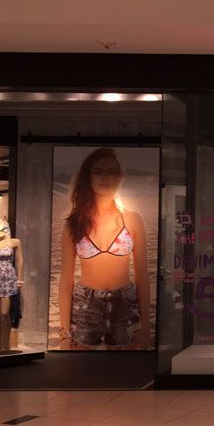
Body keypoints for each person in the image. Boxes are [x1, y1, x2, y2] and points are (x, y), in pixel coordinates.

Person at [58, 148, 151, 350]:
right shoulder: (73, 224)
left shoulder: (133, 219)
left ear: (120, 177)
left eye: (111, 172)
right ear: (88, 176)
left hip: (125, 303)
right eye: (98, 171)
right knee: (80, 364)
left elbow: (142, 276)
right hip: (85, 304)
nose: (105, 177)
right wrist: (64, 332)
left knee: (127, 364)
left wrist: (146, 325)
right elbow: (65, 281)